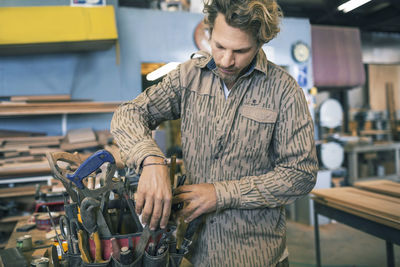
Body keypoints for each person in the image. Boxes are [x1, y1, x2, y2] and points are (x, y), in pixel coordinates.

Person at [111, 0, 318, 265]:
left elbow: (300, 175)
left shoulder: (285, 91)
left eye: (240, 50)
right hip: (195, 254)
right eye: (219, 46)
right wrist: (151, 160)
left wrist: (221, 194)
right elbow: (128, 113)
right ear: (209, 31)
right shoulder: (187, 78)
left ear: (260, 43)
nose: (225, 60)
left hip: (259, 256)